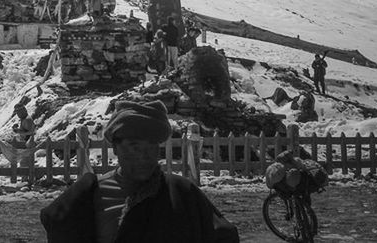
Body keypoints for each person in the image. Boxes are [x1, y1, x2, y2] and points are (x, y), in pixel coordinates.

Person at [40, 98, 237, 242]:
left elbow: (223, 236)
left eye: (151, 146)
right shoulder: (89, 197)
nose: (144, 155)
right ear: (116, 148)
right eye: (134, 146)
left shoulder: (181, 193)